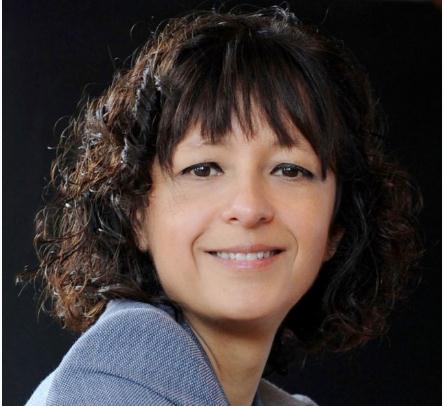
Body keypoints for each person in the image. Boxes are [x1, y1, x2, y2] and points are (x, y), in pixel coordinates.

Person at [21, 5, 423, 406]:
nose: (249, 208)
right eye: (204, 169)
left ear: (338, 224)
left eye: (289, 170)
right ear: (136, 213)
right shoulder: (113, 380)